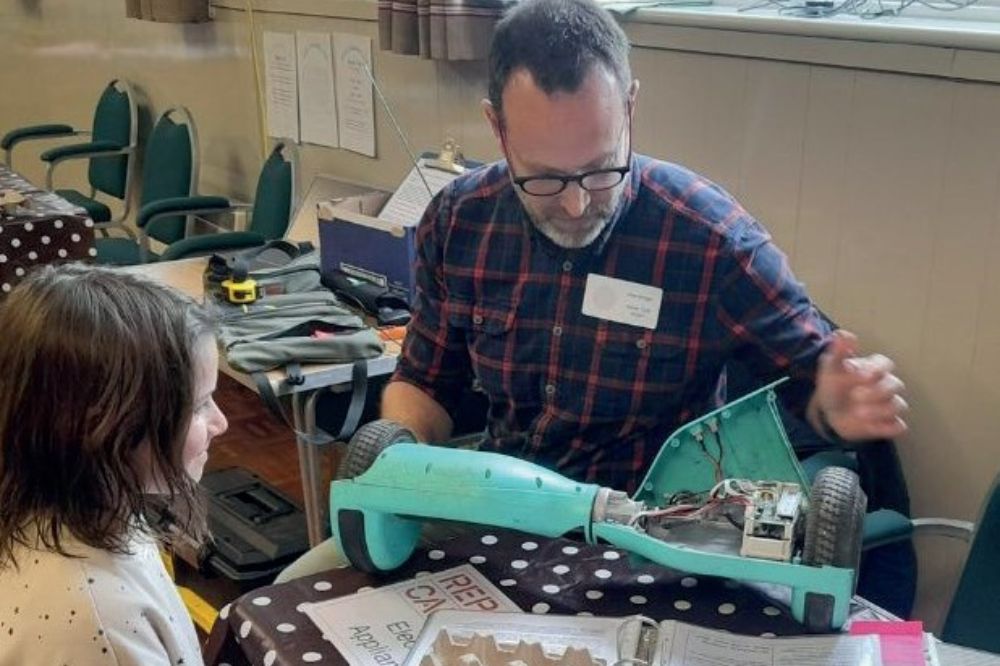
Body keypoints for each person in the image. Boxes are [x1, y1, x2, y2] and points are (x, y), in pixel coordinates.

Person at [380, 0, 908, 493]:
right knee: (315, 581)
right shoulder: (457, 220)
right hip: (500, 504)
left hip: (651, 533)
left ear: (630, 108)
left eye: (599, 170)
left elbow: (817, 392)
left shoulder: (713, 241)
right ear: (497, 128)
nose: (576, 205)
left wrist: (837, 407)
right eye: (544, 179)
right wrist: (394, 456)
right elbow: (426, 384)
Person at [0, 264, 228, 666]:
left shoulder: (77, 503)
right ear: (104, 425)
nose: (220, 423)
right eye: (199, 405)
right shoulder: (98, 625)